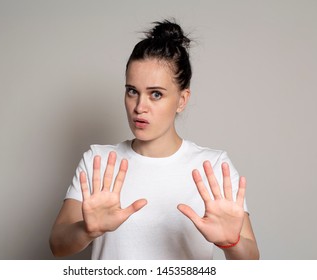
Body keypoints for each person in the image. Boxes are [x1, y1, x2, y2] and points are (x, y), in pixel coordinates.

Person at [49, 19, 259, 260]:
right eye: (132, 91)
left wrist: (230, 241)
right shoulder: (98, 161)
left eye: (156, 94)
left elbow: (251, 258)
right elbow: (57, 244)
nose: (139, 107)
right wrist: (87, 229)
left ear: (182, 99)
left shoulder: (213, 167)